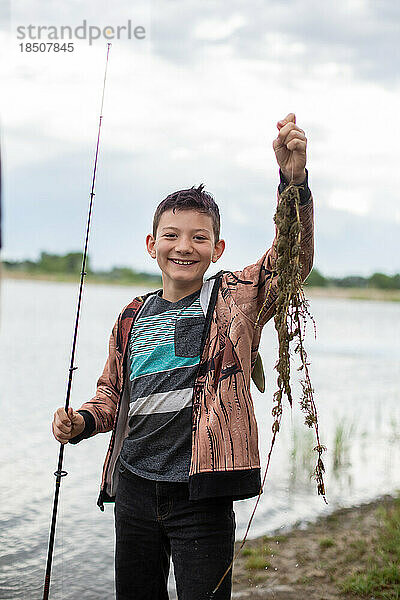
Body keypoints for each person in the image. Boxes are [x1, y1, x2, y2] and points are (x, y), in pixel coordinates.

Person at [52, 112, 314, 600]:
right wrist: (81, 422)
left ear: (217, 248)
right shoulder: (133, 314)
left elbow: (292, 259)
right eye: (171, 235)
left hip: (201, 496)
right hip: (132, 487)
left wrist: (293, 181)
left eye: (199, 237)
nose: (184, 247)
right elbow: (112, 395)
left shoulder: (236, 300)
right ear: (152, 245)